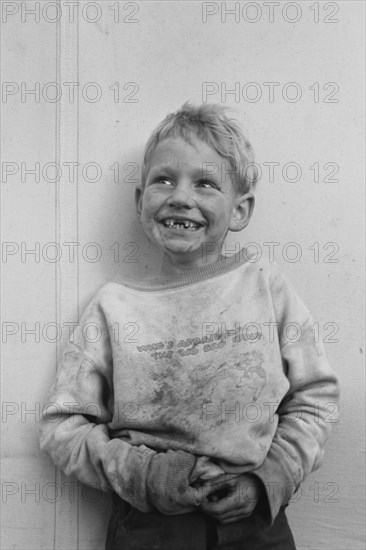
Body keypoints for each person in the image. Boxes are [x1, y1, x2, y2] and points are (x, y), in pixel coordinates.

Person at [40, 103, 340, 550]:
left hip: (255, 524)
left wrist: (268, 479)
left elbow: (316, 400)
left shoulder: (265, 286)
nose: (181, 196)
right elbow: (61, 428)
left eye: (205, 183)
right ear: (141, 201)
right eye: (164, 179)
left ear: (240, 211)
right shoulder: (113, 307)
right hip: (148, 528)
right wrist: (145, 475)